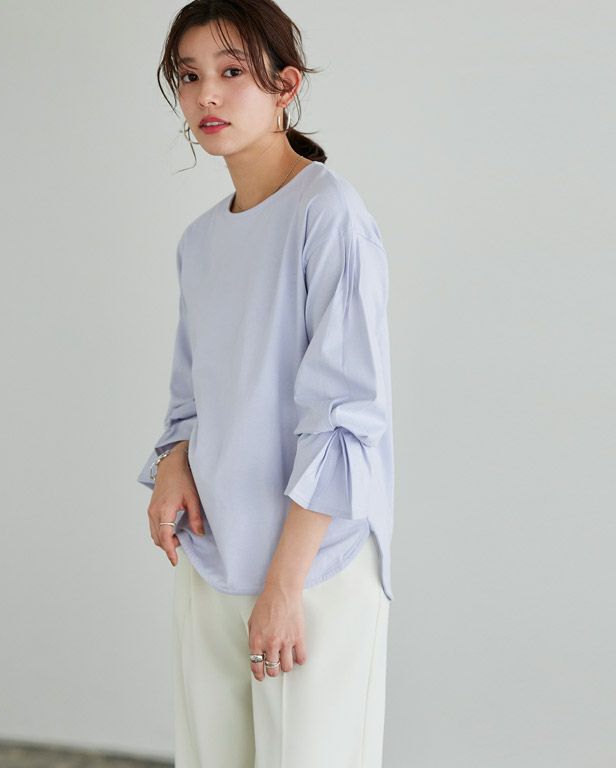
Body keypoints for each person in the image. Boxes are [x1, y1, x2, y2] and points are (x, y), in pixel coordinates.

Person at [136, 1, 395, 765]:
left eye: (232, 72)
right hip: (214, 559)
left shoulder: (328, 213)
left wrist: (285, 586)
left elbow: (345, 413)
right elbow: (193, 392)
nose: (206, 95)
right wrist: (173, 462)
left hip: (313, 570)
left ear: (285, 85)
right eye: (189, 77)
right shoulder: (201, 241)